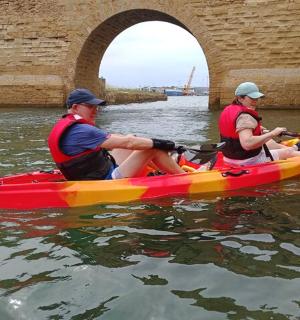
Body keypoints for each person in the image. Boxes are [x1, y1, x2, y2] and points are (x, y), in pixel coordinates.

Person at [48, 88, 185, 180]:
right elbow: (129, 143)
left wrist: (135, 140)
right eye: (90, 106)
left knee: (132, 140)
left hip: (95, 172)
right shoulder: (82, 130)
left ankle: (160, 171)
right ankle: (185, 177)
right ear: (76, 107)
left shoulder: (69, 125)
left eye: (96, 106)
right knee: (152, 148)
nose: (96, 110)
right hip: (105, 181)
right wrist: (165, 144)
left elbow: (124, 140)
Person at [218, 82, 300, 165]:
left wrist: (257, 130)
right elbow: (247, 144)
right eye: (252, 98)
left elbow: (236, 130)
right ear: (240, 98)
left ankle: (295, 147)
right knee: (287, 153)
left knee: (270, 143)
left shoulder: (229, 110)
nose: (255, 101)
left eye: (256, 98)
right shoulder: (245, 117)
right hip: (247, 160)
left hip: (229, 158)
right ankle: (292, 150)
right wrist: (273, 133)